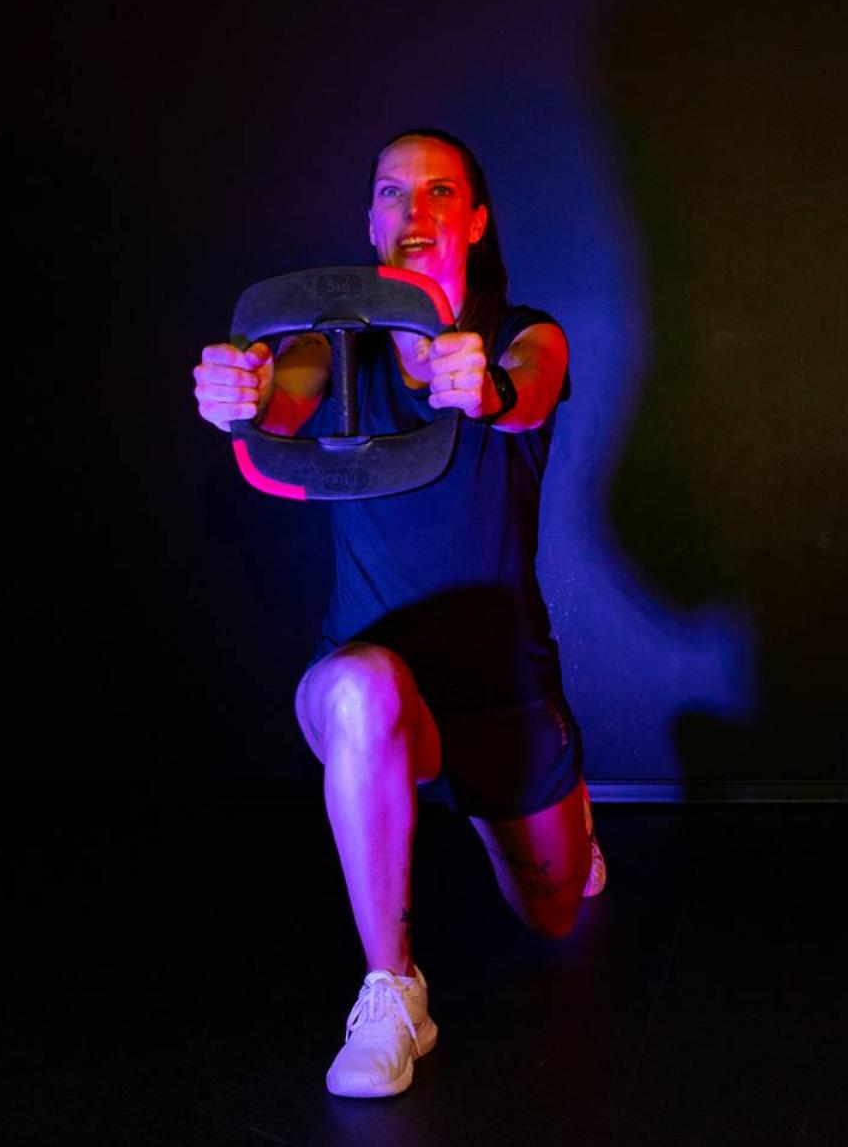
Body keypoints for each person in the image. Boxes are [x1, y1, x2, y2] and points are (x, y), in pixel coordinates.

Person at [191, 129, 603, 1096]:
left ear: (476, 220)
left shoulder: (527, 334)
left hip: (500, 691)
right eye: (391, 192)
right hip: (377, 676)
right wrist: (242, 395)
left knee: (555, 915)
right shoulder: (331, 349)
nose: (413, 212)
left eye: (439, 192)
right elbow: (281, 404)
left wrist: (486, 387)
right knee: (354, 691)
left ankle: (564, 827)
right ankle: (393, 990)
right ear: (371, 221)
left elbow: (530, 391)